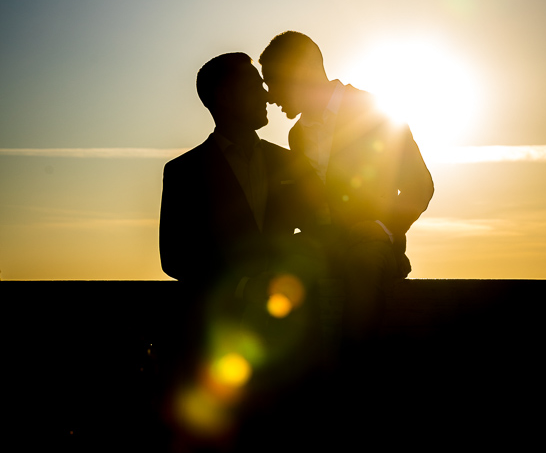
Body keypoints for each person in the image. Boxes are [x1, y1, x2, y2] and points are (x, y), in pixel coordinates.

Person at [259, 31, 434, 336]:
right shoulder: (297, 135)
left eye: (272, 81)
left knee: (361, 267)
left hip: (373, 248)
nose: (270, 97)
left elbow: (420, 185)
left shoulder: (376, 113)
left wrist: (383, 227)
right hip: (325, 245)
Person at [160, 52, 324, 305]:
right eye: (255, 87)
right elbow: (174, 257)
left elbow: (321, 226)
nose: (267, 96)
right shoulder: (183, 172)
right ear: (225, 98)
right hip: (218, 320)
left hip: (294, 318)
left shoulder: (291, 162)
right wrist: (243, 287)